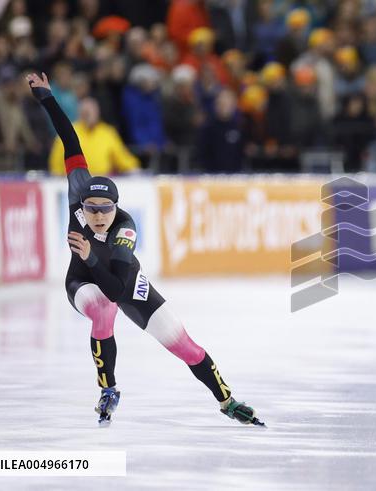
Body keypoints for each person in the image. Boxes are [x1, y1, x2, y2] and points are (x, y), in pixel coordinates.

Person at [28, 72, 263, 427]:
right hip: (82, 282)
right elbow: (71, 141)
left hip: (122, 278)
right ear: (82, 202)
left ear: (117, 209)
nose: (96, 216)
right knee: (103, 310)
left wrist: (91, 253)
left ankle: (226, 400)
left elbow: (120, 288)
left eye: (105, 210)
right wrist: (47, 97)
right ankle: (108, 389)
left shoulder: (125, 230)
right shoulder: (79, 190)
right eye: (90, 208)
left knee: (184, 345)